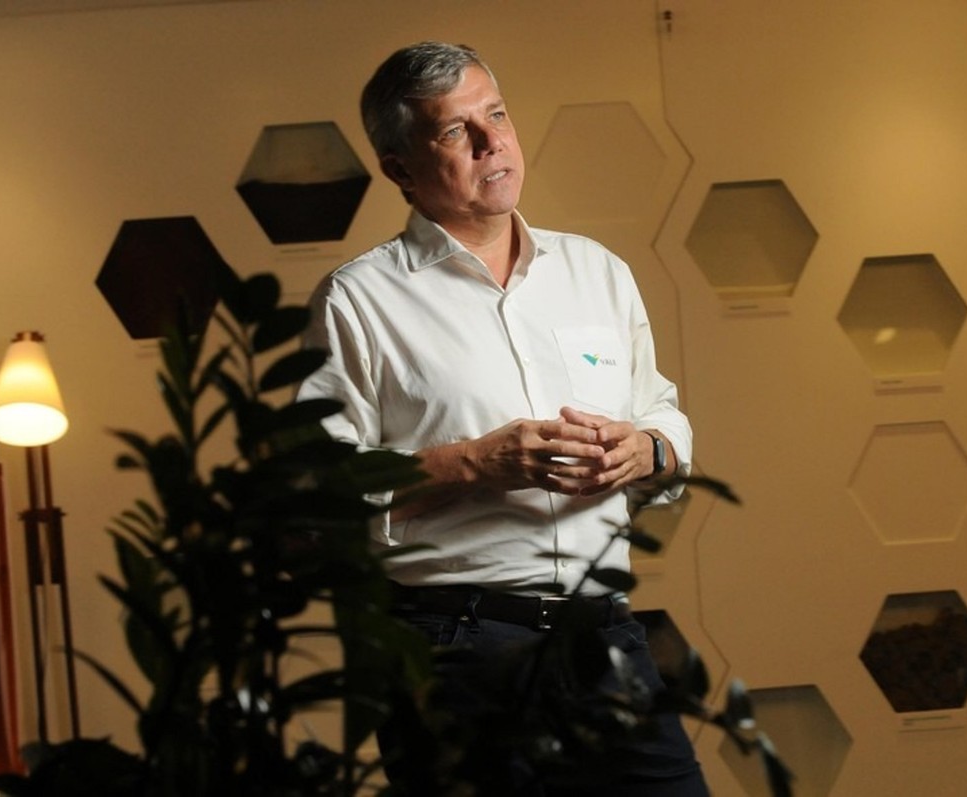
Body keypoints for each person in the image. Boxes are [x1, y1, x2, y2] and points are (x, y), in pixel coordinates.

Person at [297, 41, 708, 796]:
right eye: (457, 130)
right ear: (399, 169)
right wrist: (477, 462)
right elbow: (321, 494)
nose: (493, 143)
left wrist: (648, 449)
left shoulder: (597, 272)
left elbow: (663, 412)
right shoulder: (356, 301)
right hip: (452, 650)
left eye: (497, 115)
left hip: (604, 636)